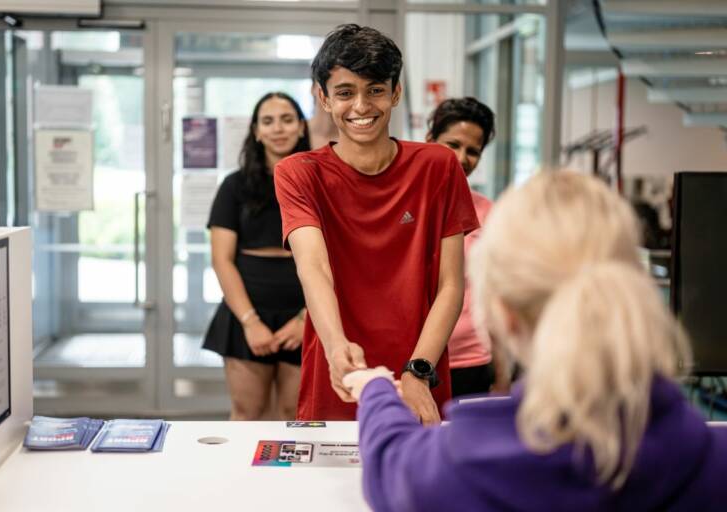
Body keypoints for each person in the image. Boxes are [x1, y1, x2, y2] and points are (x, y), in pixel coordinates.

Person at [345, 171, 727, 511]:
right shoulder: (710, 463)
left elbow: (390, 461)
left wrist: (375, 388)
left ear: (503, 316)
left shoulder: (456, 468)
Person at [274, 24, 478, 423]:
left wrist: (419, 371)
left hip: (420, 368)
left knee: (419, 482)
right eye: (346, 92)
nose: (362, 107)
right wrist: (336, 350)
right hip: (339, 371)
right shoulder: (299, 174)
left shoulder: (438, 166)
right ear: (323, 98)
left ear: (396, 92)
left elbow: (451, 283)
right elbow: (313, 267)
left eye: (375, 90)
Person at [203, 92, 310, 420]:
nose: (278, 128)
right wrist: (250, 323)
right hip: (246, 314)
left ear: (301, 127)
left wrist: (307, 320)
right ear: (256, 131)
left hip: (307, 314)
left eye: (287, 119)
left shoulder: (321, 183)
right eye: (268, 121)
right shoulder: (234, 186)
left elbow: (339, 258)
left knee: (297, 416)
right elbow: (222, 259)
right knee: (247, 413)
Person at [426, 97, 509, 396]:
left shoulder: (490, 214)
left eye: (473, 151)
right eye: (453, 144)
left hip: (469, 362)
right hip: (410, 359)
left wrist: (502, 376)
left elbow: (497, 298)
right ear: (430, 141)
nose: (462, 158)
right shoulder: (405, 206)